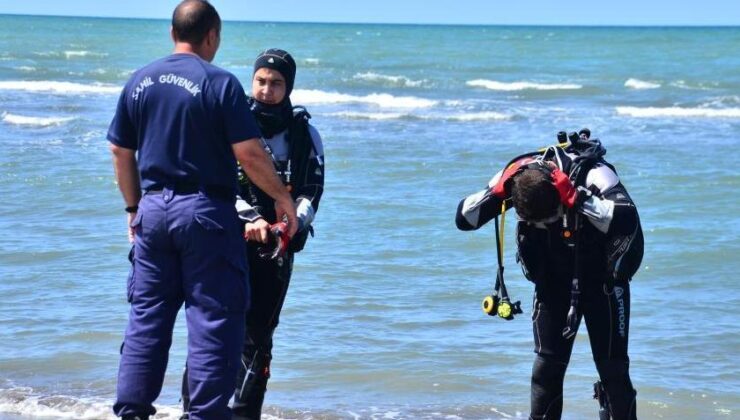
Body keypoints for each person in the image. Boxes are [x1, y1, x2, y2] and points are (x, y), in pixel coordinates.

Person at [107, 2, 297, 419]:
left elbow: (120, 149)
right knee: (215, 321)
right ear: (212, 35)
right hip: (205, 212)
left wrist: (133, 207)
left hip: (153, 211)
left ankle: (132, 413)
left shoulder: (139, 81)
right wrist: (283, 198)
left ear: (173, 32)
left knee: (147, 320)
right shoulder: (219, 83)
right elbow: (248, 153)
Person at [455, 130, 643, 420]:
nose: (546, 226)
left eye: (550, 220)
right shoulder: (518, 178)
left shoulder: (594, 173)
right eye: (535, 223)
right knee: (546, 370)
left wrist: (578, 199)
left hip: (603, 281)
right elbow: (463, 219)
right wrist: (496, 193)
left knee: (613, 369)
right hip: (553, 282)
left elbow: (627, 217)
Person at [180, 48, 325, 420]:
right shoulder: (230, 124)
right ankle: (193, 412)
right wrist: (248, 219)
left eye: (276, 83)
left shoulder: (304, 133)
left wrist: (295, 221)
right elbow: (214, 182)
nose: (266, 90)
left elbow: (312, 188)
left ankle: (245, 415)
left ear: (288, 86)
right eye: (260, 81)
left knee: (258, 338)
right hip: (225, 240)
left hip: (277, 250)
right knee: (212, 328)